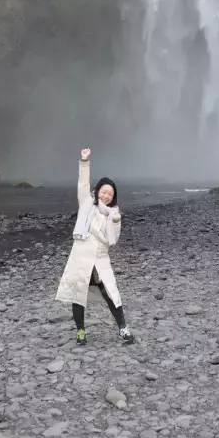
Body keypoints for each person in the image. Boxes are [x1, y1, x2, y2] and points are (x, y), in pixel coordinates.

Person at [55, 147, 135, 345]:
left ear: (113, 197)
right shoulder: (86, 204)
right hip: (81, 258)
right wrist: (84, 161)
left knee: (111, 292)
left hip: (100, 259)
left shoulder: (113, 213)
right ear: (97, 190)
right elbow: (83, 183)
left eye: (110, 193)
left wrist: (116, 222)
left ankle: (123, 329)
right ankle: (81, 332)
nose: (107, 195)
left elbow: (113, 240)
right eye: (104, 191)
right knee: (78, 295)